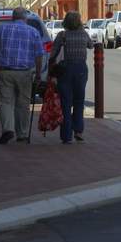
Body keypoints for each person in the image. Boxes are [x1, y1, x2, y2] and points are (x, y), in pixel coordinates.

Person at [0, 8, 46, 144]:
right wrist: (38, 74)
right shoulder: (33, 32)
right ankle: (22, 133)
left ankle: (8, 128)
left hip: (4, 70)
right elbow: (39, 55)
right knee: (23, 103)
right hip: (24, 73)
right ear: (25, 18)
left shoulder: (1, 29)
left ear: (12, 17)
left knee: (5, 101)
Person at [49, 12, 92, 145]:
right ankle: (78, 130)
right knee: (79, 101)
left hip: (66, 69)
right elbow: (90, 45)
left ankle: (66, 136)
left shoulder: (62, 35)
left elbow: (53, 53)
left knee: (66, 103)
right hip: (81, 69)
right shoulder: (83, 34)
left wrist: (50, 70)